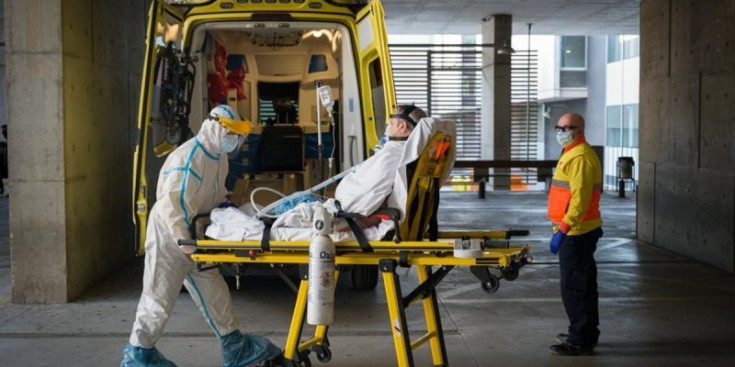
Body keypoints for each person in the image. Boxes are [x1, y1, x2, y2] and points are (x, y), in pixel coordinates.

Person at [121, 105, 281, 367]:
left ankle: (235, 345)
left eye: (240, 135)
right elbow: (172, 206)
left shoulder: (219, 157)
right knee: (158, 298)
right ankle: (138, 354)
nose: (237, 141)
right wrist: (186, 245)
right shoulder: (188, 157)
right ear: (216, 127)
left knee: (214, 291)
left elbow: (215, 195)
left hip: (197, 236)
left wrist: (226, 212)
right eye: (233, 134)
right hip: (170, 238)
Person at [547, 113, 603, 356]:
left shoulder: (580, 156)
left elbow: (580, 200)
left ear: (581, 129)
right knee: (583, 284)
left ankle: (579, 339)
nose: (562, 131)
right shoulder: (572, 152)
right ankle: (584, 332)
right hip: (579, 230)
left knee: (575, 287)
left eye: (568, 127)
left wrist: (564, 228)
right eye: (559, 127)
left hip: (577, 231)